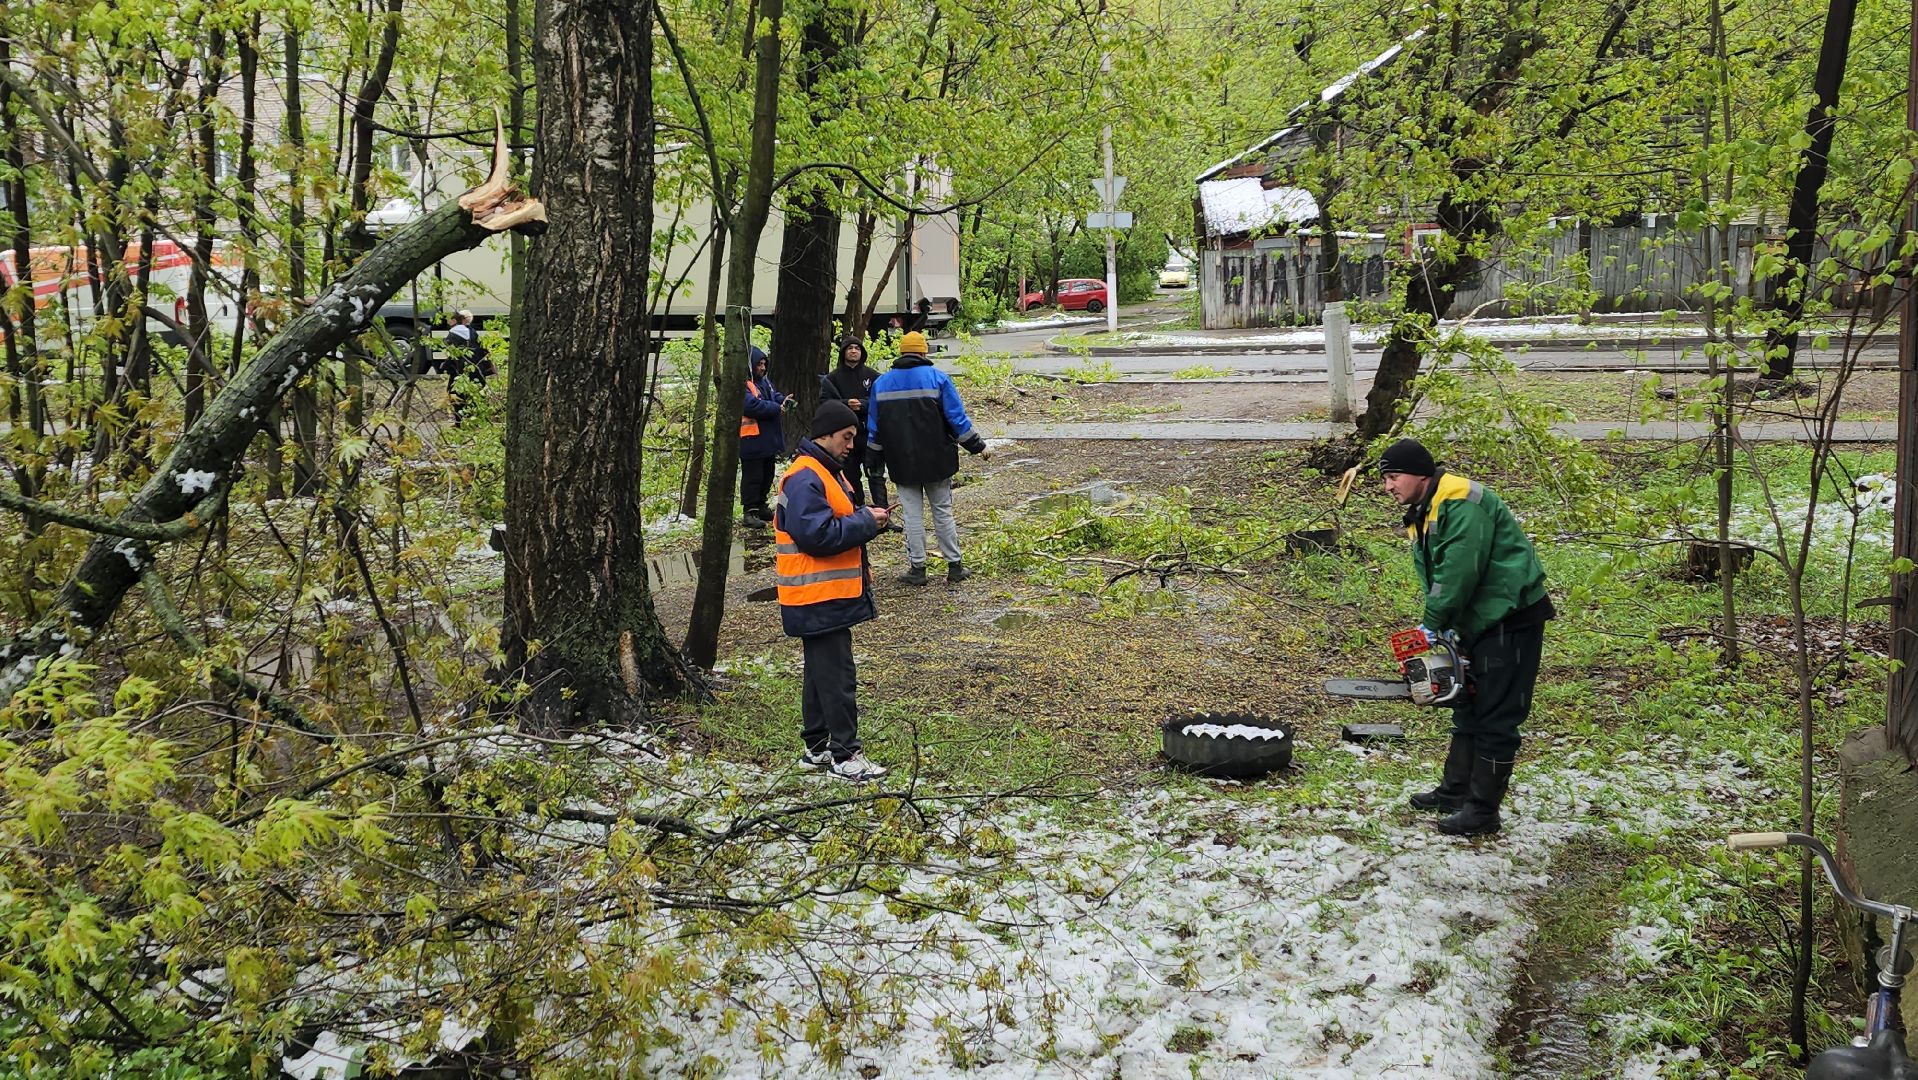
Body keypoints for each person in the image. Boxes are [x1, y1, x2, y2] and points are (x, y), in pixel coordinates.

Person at [1379, 438, 1554, 837]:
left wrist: (1433, 622)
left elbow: (1459, 569)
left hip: (1510, 618)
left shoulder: (1460, 500)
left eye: (1393, 477)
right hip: (1477, 619)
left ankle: (1482, 811)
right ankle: (1456, 790)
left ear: (1419, 473)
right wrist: (1447, 626)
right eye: (1386, 479)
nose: (1389, 486)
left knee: (1496, 716)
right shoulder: (1426, 507)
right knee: (1469, 708)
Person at [777, 399, 891, 782]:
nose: (850, 445)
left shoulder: (825, 472)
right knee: (837, 675)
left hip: (818, 596)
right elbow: (817, 536)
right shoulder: (807, 476)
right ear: (825, 434)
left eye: (854, 437)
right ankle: (845, 755)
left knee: (819, 672)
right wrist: (865, 521)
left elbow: (836, 522)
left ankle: (817, 746)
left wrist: (869, 521)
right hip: (817, 596)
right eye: (846, 436)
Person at [866, 330, 987, 585]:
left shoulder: (882, 383)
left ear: (901, 352)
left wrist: (873, 459)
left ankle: (918, 569)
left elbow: (874, 428)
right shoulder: (937, 378)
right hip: (937, 459)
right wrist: (978, 447)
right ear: (923, 352)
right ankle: (954, 567)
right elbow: (957, 420)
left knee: (912, 515)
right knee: (942, 511)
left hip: (900, 460)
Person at [819, 337, 888, 509]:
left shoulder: (873, 377)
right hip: (845, 436)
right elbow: (825, 403)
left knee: (876, 475)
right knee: (850, 477)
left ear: (862, 352)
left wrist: (863, 404)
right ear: (843, 352)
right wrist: (845, 404)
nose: (853, 351)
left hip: (869, 434)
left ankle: (883, 513)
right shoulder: (831, 379)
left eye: (857, 348)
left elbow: (883, 400)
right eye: (849, 348)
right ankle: (857, 512)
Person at [739, 345, 793, 525]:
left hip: (767, 440)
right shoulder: (743, 384)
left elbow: (773, 395)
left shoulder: (764, 382)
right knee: (753, 477)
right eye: (759, 364)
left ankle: (761, 505)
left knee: (767, 475)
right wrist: (778, 407)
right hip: (752, 440)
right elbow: (751, 406)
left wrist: (784, 400)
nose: (762, 367)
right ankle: (750, 510)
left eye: (764, 364)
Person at [444, 310, 495, 425]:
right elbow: (483, 350)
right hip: (476, 369)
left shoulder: (452, 335)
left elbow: (451, 355)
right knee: (476, 393)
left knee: (456, 394)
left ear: (455, 320)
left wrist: (447, 367)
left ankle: (459, 421)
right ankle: (478, 420)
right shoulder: (473, 332)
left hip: (459, 371)